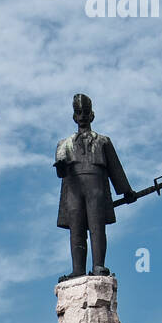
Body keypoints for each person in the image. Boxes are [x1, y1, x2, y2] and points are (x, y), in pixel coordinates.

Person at [55, 93, 135, 279]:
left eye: (85, 112)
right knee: (77, 229)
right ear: (74, 116)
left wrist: (126, 191)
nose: (82, 115)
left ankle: (98, 265)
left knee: (97, 227)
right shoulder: (63, 144)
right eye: (78, 112)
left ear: (92, 115)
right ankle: (78, 270)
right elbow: (60, 172)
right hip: (74, 190)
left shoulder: (103, 141)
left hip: (96, 188)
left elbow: (115, 168)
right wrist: (60, 165)